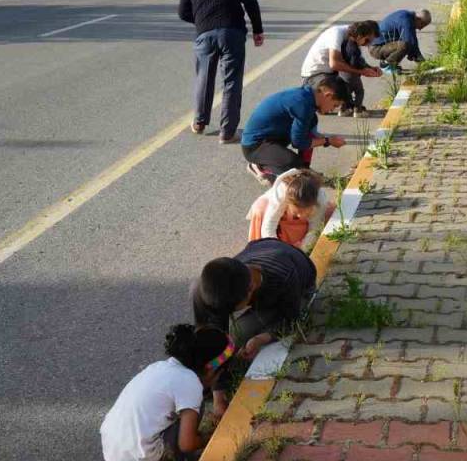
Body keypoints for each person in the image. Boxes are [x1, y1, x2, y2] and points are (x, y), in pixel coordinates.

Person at [192, 239, 317, 418]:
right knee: (225, 345)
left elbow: (292, 320)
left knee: (238, 335)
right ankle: (209, 382)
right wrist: (218, 396)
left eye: (233, 310)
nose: (229, 315)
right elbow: (215, 340)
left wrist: (262, 338)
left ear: (251, 290)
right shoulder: (208, 287)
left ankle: (217, 376)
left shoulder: (283, 277)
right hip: (260, 249)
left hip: (299, 285)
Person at [99, 324, 233, 461]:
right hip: (143, 457)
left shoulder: (159, 367)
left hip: (112, 450)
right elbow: (187, 444)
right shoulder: (191, 383)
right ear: (210, 369)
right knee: (196, 407)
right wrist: (213, 438)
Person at [179, 0, 265, 144]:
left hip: (204, 35)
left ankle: (199, 123)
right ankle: (227, 132)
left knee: (204, 77)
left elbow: (182, 12)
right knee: (231, 82)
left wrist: (202, 20)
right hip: (232, 32)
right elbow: (251, 1)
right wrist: (257, 30)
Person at [240, 74, 350, 184]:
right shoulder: (303, 105)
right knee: (293, 168)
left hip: (270, 138)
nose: (332, 110)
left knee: (310, 126)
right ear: (328, 95)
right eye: (335, 105)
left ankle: (304, 170)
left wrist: (305, 168)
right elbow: (300, 143)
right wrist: (328, 141)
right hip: (254, 146)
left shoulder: (308, 97)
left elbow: (306, 137)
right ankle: (260, 167)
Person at [298, 20, 382, 118]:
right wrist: (362, 72)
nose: (367, 44)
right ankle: (319, 104)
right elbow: (334, 64)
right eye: (367, 40)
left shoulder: (352, 39)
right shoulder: (337, 34)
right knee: (334, 94)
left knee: (345, 85)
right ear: (360, 35)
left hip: (330, 74)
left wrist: (370, 68)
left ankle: (347, 106)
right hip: (314, 75)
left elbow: (355, 60)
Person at [246, 168, 336, 248]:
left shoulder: (320, 201)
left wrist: (301, 250)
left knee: (330, 212)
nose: (300, 215)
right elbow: (269, 224)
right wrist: (276, 248)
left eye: (306, 213)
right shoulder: (282, 192)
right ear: (289, 203)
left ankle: (293, 243)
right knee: (259, 208)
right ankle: (258, 247)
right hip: (283, 217)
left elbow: (314, 230)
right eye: (296, 212)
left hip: (298, 223)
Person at [369, 9, 432, 74]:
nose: (420, 29)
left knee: (404, 43)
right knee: (404, 45)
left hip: (380, 46)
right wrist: (422, 63)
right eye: (422, 25)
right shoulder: (406, 20)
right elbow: (410, 42)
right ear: (419, 19)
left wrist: (421, 61)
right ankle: (386, 65)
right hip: (376, 49)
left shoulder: (407, 16)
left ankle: (387, 62)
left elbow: (413, 41)